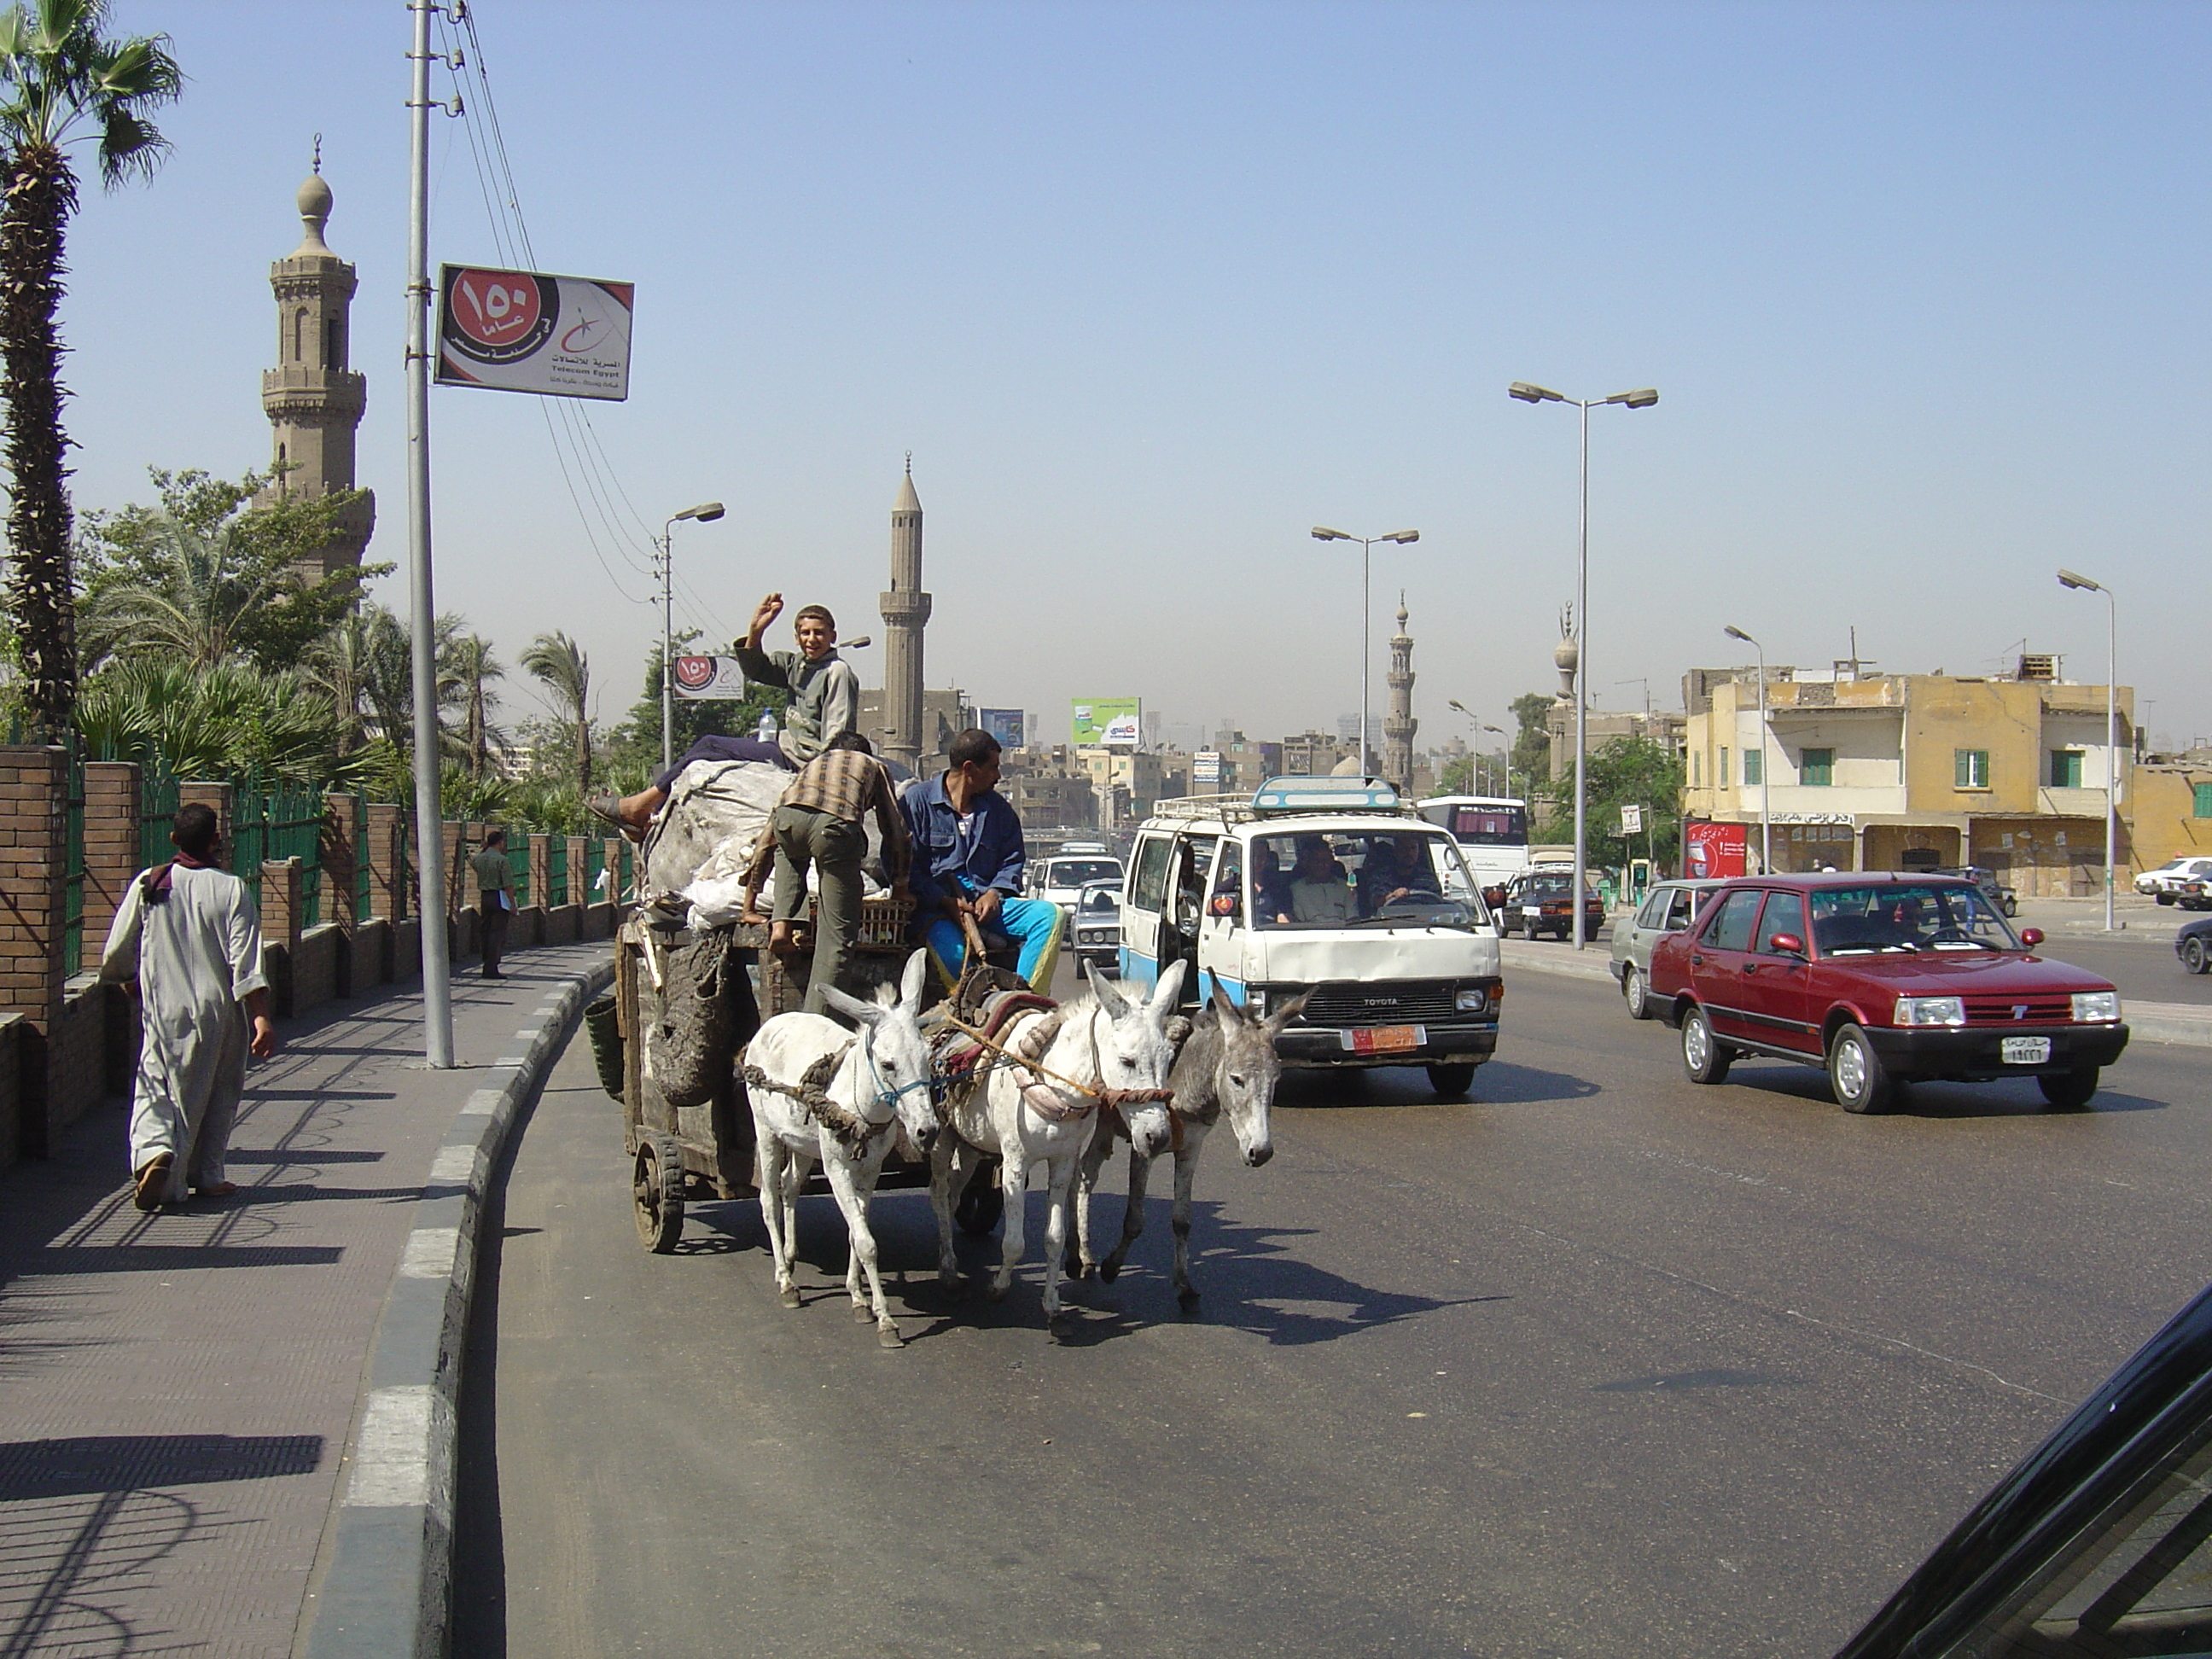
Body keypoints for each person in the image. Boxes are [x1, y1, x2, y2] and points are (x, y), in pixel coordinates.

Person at [100, 802, 278, 1210]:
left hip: (164, 1008)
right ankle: (208, 1175)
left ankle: (155, 1156)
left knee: (157, 1087)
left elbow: (118, 949)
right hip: (218, 1012)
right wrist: (262, 1017)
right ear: (216, 840)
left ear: (173, 839)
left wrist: (129, 980)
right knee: (218, 1089)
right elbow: (245, 962)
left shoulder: (152, 882)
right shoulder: (231, 888)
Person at [590, 592, 860, 834]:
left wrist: (822, 777)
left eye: (819, 633)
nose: (811, 639)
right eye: (805, 633)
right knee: (717, 751)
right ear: (797, 637)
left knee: (710, 744)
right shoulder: (797, 665)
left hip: (802, 757)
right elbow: (757, 669)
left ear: (832, 637)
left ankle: (640, 806)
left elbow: (838, 733)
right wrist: (756, 630)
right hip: (783, 743)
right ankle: (654, 812)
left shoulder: (837, 672)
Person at [736, 733, 912, 1015]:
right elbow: (895, 831)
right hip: (834, 829)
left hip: (788, 819)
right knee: (836, 939)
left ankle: (783, 923)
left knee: (788, 848)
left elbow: (767, 840)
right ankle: (815, 1018)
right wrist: (901, 885)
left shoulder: (813, 766)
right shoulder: (874, 766)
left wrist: (749, 905)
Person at [901, 727, 1062, 989]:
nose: (998, 776)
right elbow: (903, 868)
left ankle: (1026, 999)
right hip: (937, 912)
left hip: (988, 907)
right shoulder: (916, 803)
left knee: (1051, 916)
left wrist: (994, 893)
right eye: (993, 768)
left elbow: (1012, 860)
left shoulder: (998, 810)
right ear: (969, 769)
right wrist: (944, 901)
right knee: (954, 954)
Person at [1357, 835, 1441, 915]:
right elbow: (1377, 902)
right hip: (1389, 924)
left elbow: (1439, 904)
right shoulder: (1382, 876)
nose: (1409, 853)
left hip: (1426, 924)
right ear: (1396, 851)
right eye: (1404, 848)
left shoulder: (1428, 878)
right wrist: (1392, 896)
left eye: (1413, 848)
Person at [1280, 836, 1353, 926]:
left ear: (1331, 862)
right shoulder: (1296, 889)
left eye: (1325, 860)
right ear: (1309, 863)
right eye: (1317, 861)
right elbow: (1299, 923)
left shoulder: (1345, 887)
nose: (1322, 865)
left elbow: (1353, 918)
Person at [472, 829, 513, 979]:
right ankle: (492, 967)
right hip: (499, 897)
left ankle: (485, 963)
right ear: (500, 842)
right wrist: (513, 905)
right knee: (497, 933)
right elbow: (508, 885)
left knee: (485, 932)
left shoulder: (479, 859)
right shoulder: (502, 860)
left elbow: (474, 866)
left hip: (485, 897)